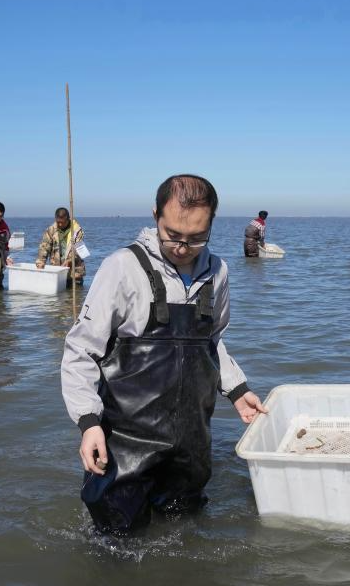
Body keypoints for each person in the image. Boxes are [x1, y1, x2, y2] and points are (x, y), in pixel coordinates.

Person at [61, 174, 267, 535]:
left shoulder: (217, 272)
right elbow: (81, 349)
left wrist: (236, 390)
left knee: (184, 531)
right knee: (115, 540)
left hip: (191, 442)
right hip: (126, 442)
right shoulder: (122, 268)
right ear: (156, 215)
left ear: (212, 224)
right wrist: (89, 423)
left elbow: (212, 340)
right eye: (173, 234)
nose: (183, 247)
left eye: (197, 237)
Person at [35, 207, 86, 287]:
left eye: (63, 222)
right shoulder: (51, 230)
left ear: (68, 219)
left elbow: (78, 250)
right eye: (58, 222)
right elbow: (44, 247)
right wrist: (41, 263)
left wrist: (69, 260)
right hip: (57, 272)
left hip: (74, 273)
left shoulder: (77, 231)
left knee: (75, 297)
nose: (60, 224)